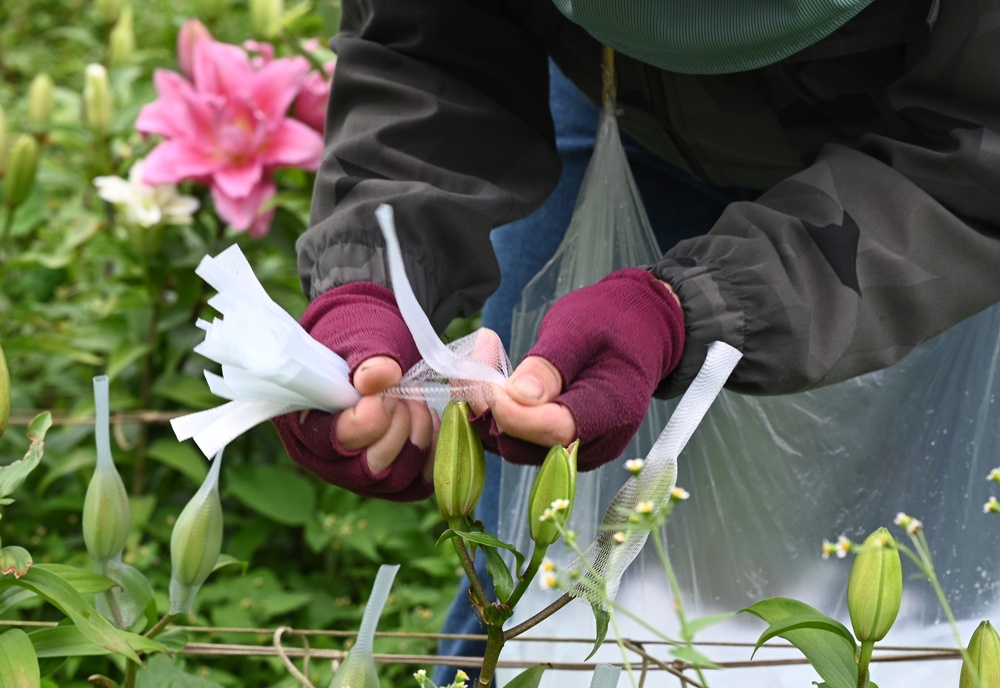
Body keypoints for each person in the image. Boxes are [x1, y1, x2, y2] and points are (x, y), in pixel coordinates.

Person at [271, 0, 1000, 678]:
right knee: (540, 553)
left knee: (937, 563)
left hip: (944, 157)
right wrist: (369, 281)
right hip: (624, 106)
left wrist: (692, 312)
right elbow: (427, 51)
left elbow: (977, 165)